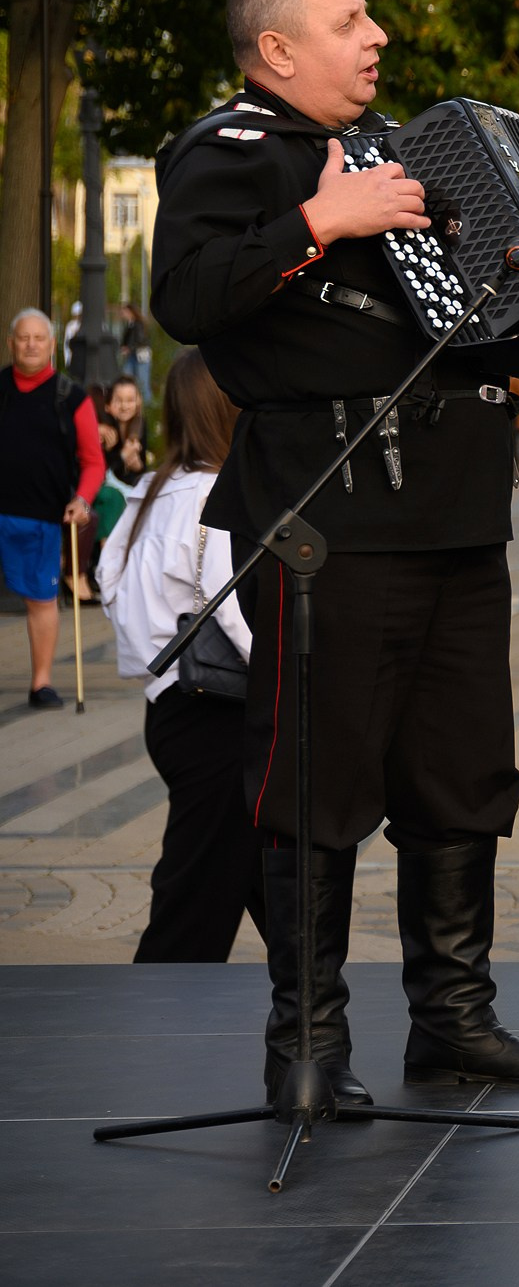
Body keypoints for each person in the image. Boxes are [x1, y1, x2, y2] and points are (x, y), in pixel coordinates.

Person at [153, 0, 519, 1110]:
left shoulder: (411, 155)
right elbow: (183, 299)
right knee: (315, 783)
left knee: (460, 775)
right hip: (327, 512)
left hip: (454, 507)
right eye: (348, 19)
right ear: (279, 49)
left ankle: (455, 1021)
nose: (376, 34)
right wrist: (319, 219)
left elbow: (495, 331)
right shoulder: (229, 153)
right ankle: (309, 1045)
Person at [98, 349, 266, 962]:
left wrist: (151, 649)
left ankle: (310, 983)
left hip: (168, 705)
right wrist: (284, 674)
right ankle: (163, 1001)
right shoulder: (217, 496)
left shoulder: (150, 488)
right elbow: (229, 606)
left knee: (252, 866)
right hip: (217, 714)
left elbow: (106, 576)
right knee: (196, 891)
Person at [2, 310, 103, 710]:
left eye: (38, 338)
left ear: (51, 344)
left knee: (41, 601)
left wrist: (82, 499)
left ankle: (40, 682)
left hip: (42, 517)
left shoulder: (70, 396)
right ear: (11, 343)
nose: (30, 344)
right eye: (23, 337)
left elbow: (94, 461)